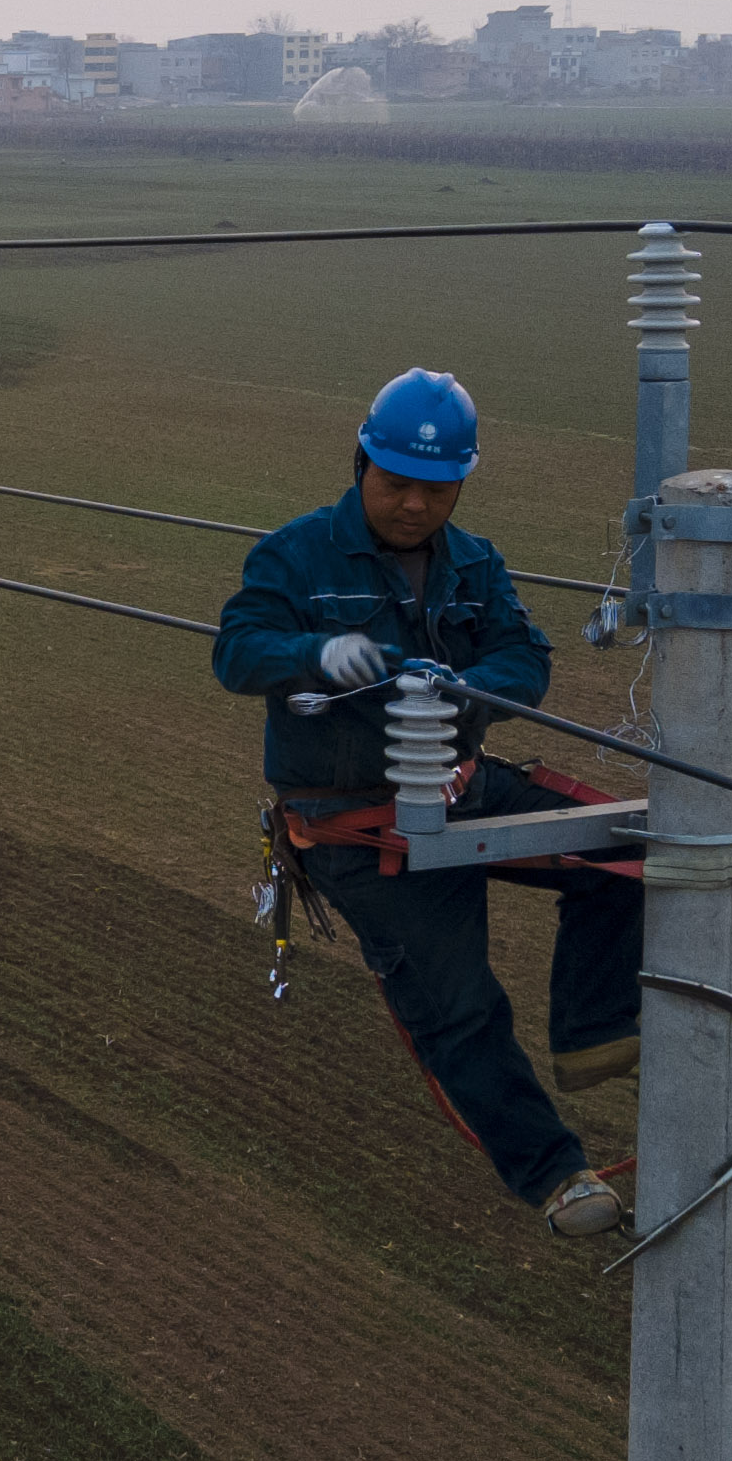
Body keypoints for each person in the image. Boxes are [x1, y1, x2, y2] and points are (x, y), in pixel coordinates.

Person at [215, 368, 641, 1239]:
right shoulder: (295, 555)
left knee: (628, 851)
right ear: (361, 463)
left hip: (459, 787)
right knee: (457, 1005)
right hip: (357, 823)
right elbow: (237, 651)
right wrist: (314, 652)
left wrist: (470, 689)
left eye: (437, 489)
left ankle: (593, 1033)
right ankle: (556, 1175)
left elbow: (523, 658)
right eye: (397, 483)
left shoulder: (474, 564)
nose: (415, 505)